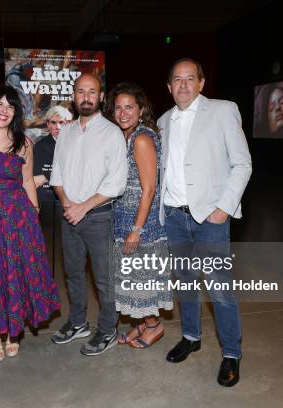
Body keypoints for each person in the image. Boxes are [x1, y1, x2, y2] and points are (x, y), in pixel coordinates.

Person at [157, 58, 252, 387]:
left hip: (210, 217)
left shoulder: (223, 111)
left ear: (201, 83)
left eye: (189, 79)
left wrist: (223, 208)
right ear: (169, 87)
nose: (183, 85)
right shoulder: (162, 121)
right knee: (184, 281)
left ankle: (231, 354)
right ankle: (191, 336)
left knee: (219, 287)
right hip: (174, 216)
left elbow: (242, 163)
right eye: (177, 80)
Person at [0, 84, 61, 362]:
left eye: (10, 106)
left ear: (15, 112)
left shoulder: (23, 143)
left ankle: (11, 332)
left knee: (14, 272)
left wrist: (35, 217)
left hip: (17, 218)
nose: (4, 111)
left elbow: (28, 181)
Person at [49, 73, 128, 356]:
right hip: (69, 215)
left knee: (104, 278)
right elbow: (56, 175)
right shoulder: (66, 131)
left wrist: (84, 206)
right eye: (80, 91)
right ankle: (79, 322)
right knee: (72, 274)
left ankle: (107, 329)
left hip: (98, 218)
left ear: (101, 97)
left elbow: (116, 183)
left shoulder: (112, 133)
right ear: (73, 97)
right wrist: (68, 203)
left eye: (91, 92)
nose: (86, 97)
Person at [103, 82, 173, 349]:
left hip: (142, 224)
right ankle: (141, 323)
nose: (123, 113)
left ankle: (154, 326)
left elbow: (149, 189)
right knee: (132, 279)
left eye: (129, 107)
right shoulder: (126, 136)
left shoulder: (142, 139)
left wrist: (137, 230)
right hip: (123, 219)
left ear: (141, 110)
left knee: (142, 279)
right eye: (118, 107)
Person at [33, 105, 73, 202]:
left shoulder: (77, 144)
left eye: (61, 122)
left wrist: (46, 175)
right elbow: (36, 180)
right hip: (46, 198)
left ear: (68, 123)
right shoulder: (39, 146)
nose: (58, 127)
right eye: (53, 122)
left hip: (72, 197)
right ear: (47, 124)